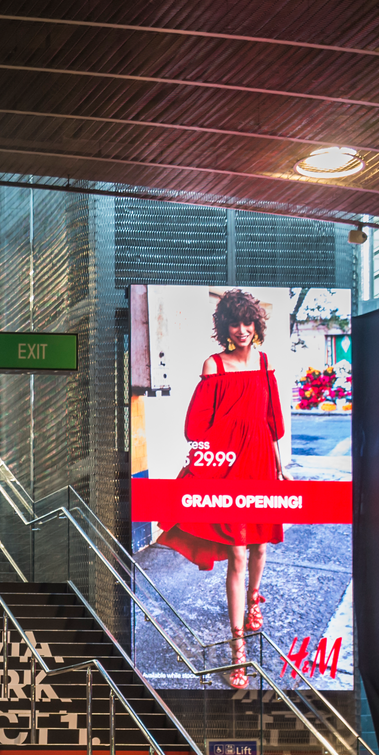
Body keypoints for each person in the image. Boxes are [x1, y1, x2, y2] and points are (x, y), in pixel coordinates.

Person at [153, 290, 287, 690]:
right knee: (238, 552)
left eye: (248, 323)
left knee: (261, 545)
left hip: (262, 463)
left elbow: (272, 422)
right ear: (224, 327)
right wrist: (206, 464)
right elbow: (196, 428)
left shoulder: (264, 363)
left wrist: (282, 470)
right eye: (234, 322)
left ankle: (255, 600)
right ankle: (238, 649)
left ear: (257, 325)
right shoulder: (213, 365)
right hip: (230, 467)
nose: (242, 330)